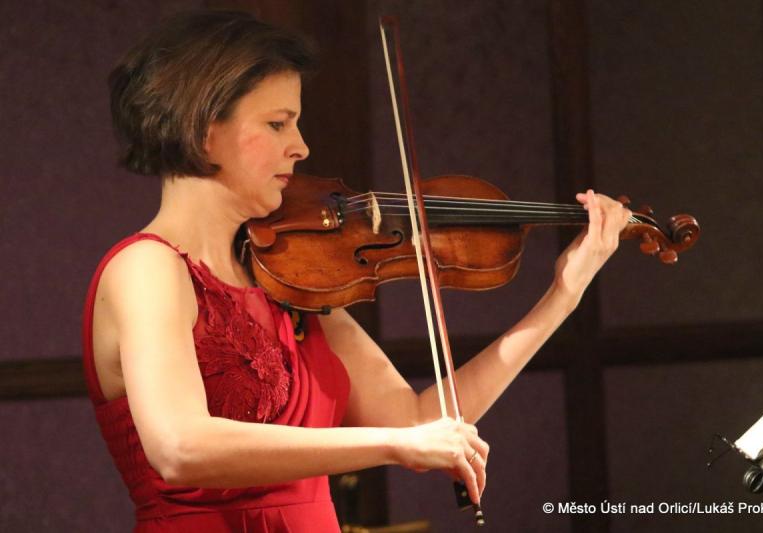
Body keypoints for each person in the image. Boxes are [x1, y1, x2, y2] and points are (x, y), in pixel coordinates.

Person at [82, 9, 631, 532]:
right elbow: (179, 448)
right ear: (204, 130)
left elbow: (419, 422)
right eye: (277, 124)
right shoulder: (147, 269)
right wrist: (392, 447)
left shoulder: (285, 276)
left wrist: (563, 294)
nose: (301, 147)